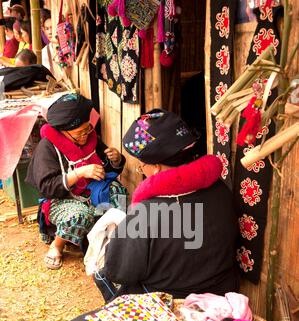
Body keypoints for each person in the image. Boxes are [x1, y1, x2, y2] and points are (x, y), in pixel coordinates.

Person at [95, 109, 239, 301]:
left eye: (141, 166)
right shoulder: (220, 188)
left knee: (101, 274)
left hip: (170, 302)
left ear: (156, 167)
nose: (141, 170)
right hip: (222, 291)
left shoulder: (147, 212)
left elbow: (119, 270)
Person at [26, 93, 127, 270]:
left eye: (87, 129)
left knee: (118, 190)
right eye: (79, 133)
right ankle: (57, 245)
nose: (85, 135)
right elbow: (47, 187)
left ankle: (116, 238)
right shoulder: (47, 147)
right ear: (62, 132)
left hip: (91, 191)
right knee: (79, 214)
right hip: (60, 199)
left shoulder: (89, 137)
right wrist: (78, 173)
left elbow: (105, 169)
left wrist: (115, 160)